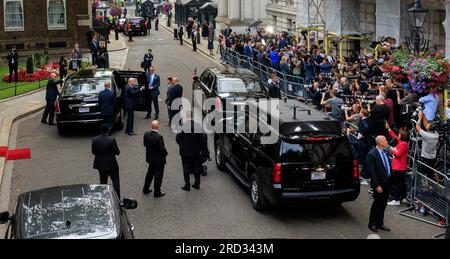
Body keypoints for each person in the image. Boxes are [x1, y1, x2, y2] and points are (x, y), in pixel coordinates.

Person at [367, 135, 392, 233]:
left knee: (383, 204)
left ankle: (379, 223)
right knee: (377, 204)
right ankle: (371, 223)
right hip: (379, 185)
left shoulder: (384, 151)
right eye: (385, 141)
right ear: (380, 143)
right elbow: (372, 172)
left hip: (387, 183)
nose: (387, 142)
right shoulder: (372, 154)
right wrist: (377, 185)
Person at [176, 112, 203, 191]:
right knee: (196, 167)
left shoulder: (182, 126)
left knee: (186, 167)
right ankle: (197, 183)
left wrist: (182, 145)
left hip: (185, 151)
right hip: (195, 150)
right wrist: (200, 148)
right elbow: (201, 138)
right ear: (192, 117)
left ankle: (187, 185)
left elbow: (177, 139)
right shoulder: (197, 125)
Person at [92, 124, 121, 198]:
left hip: (101, 165)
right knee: (115, 182)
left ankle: (104, 198)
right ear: (108, 131)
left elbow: (93, 152)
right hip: (111, 164)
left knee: (103, 182)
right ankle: (117, 198)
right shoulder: (112, 140)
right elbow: (117, 152)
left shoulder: (94, 140)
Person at [142, 120, 168, 198]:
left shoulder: (146, 134)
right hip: (159, 160)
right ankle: (157, 192)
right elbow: (162, 149)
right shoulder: (159, 137)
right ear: (158, 127)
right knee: (158, 176)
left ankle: (145, 188)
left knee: (149, 174)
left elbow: (144, 144)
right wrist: (166, 154)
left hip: (150, 158)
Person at [386, 126, 410, 206]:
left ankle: (396, 199)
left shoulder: (403, 144)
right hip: (399, 167)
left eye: (399, 134)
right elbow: (395, 136)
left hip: (398, 167)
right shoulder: (402, 142)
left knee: (398, 184)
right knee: (401, 183)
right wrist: (389, 129)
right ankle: (403, 197)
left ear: (401, 136)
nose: (398, 135)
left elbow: (398, 154)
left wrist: (391, 149)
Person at [415, 111, 439, 180]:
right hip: (433, 158)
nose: (427, 124)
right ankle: (430, 189)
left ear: (430, 128)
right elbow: (426, 125)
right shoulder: (436, 134)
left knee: (418, 175)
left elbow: (417, 127)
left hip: (426, 159)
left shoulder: (427, 135)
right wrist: (424, 115)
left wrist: (420, 117)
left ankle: (415, 187)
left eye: (429, 124)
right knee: (430, 176)